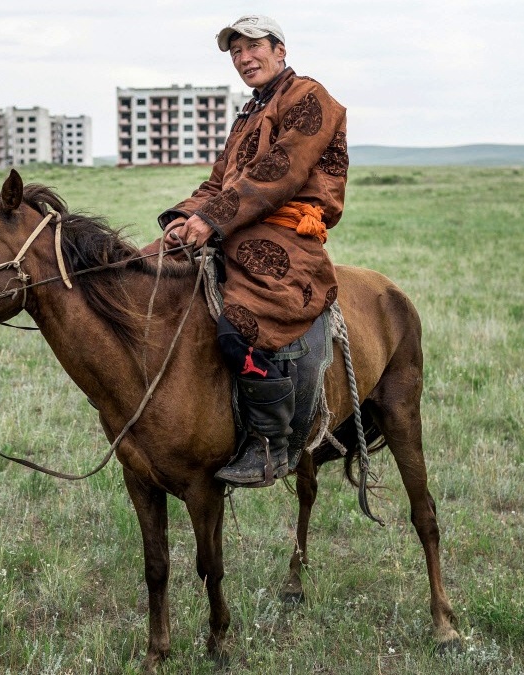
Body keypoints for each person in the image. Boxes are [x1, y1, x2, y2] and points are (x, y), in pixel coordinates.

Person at [160, 14, 349, 487]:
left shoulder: (310, 98)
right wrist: (184, 219)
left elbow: (282, 169)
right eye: (236, 52)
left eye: (254, 47)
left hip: (286, 235)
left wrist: (213, 219)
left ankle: (271, 442)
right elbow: (217, 181)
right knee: (154, 276)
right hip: (238, 225)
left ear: (280, 50)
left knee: (236, 328)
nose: (245, 58)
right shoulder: (248, 114)